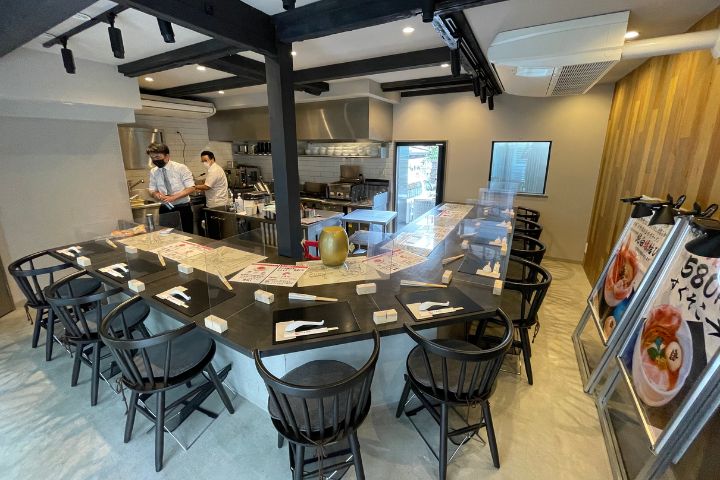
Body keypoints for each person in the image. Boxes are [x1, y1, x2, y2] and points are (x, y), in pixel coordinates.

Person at [146, 143, 195, 233]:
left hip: (182, 208)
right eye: (152, 158)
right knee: (167, 235)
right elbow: (152, 189)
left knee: (186, 236)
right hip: (165, 209)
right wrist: (157, 194)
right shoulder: (153, 171)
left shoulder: (181, 168)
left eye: (157, 157)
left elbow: (191, 188)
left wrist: (173, 197)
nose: (155, 160)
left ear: (167, 156)